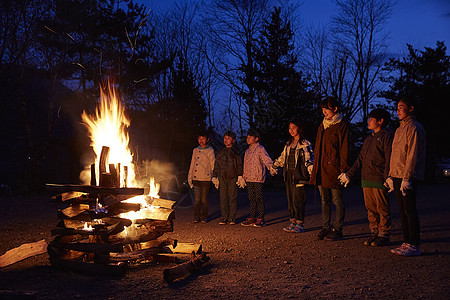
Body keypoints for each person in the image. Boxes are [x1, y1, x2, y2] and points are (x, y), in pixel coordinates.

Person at [338, 108, 393, 246]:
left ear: (380, 121)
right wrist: (349, 174)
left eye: (371, 119)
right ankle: (374, 232)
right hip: (366, 178)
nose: (368, 121)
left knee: (382, 208)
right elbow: (360, 159)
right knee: (370, 208)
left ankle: (384, 234)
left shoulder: (386, 136)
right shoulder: (369, 138)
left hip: (379, 178)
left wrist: (388, 177)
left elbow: (389, 158)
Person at [386, 97, 426, 256]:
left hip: (407, 176)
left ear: (411, 108)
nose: (398, 110)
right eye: (397, 108)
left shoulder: (415, 128)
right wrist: (390, 175)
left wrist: (407, 177)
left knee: (410, 209)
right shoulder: (399, 129)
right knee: (402, 210)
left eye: (401, 107)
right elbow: (395, 154)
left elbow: (413, 154)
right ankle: (406, 241)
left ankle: (414, 244)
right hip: (397, 175)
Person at [310, 96, 349, 241]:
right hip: (320, 168)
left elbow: (344, 149)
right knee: (324, 200)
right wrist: (314, 165)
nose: (324, 112)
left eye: (326, 108)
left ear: (335, 109)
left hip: (334, 169)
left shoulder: (341, 126)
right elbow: (317, 147)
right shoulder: (322, 125)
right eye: (322, 109)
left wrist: (344, 169)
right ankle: (325, 227)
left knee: (337, 200)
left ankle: (338, 229)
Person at [272, 120, 314, 233]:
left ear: (299, 128)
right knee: (290, 199)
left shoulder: (305, 144)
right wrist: (274, 166)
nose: (291, 130)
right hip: (289, 175)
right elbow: (282, 157)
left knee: (298, 199)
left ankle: (300, 223)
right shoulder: (288, 144)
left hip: (299, 175)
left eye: (294, 127)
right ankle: (293, 222)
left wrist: (310, 170)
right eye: (290, 128)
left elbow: (309, 158)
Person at [239, 129, 274, 228]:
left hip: (258, 177)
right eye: (247, 137)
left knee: (259, 197)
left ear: (256, 138)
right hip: (249, 178)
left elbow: (266, 159)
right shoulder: (247, 151)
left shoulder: (260, 149)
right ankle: (252, 217)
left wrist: (272, 167)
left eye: (250, 137)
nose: (248, 138)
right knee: (251, 198)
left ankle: (261, 218)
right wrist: (243, 177)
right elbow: (245, 164)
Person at [212, 131, 243, 225]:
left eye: (228, 138)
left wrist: (240, 176)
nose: (226, 140)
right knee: (223, 198)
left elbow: (239, 164)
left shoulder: (236, 152)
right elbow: (216, 164)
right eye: (225, 138)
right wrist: (215, 176)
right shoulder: (221, 151)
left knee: (232, 198)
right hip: (222, 177)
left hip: (232, 176)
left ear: (233, 140)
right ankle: (224, 217)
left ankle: (232, 218)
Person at [188, 131, 215, 223]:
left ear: (207, 139)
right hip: (196, 178)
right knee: (196, 199)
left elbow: (213, 164)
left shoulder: (210, 150)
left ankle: (204, 216)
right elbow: (192, 163)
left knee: (204, 199)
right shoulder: (195, 150)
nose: (201, 141)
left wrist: (214, 176)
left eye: (203, 138)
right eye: (199, 138)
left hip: (206, 178)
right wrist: (190, 177)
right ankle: (196, 217)